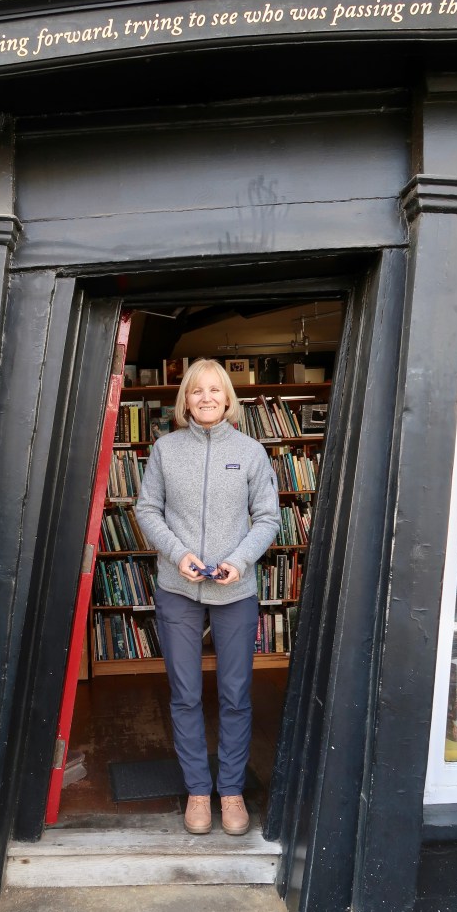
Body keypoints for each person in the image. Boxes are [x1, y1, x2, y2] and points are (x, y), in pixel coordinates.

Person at [135, 357, 280, 835]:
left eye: (215, 390)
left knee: (235, 695)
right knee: (185, 695)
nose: (207, 398)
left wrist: (239, 560)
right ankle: (199, 790)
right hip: (178, 588)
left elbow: (268, 518)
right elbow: (147, 509)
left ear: (228, 398)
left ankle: (231, 791)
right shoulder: (165, 450)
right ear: (186, 400)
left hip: (235, 590)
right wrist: (178, 554)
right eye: (197, 390)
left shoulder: (251, 452)